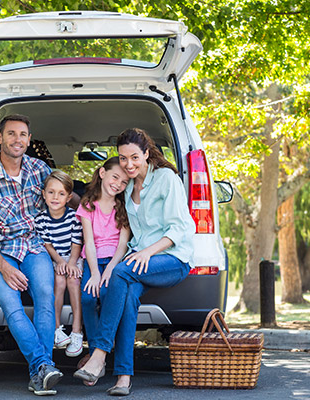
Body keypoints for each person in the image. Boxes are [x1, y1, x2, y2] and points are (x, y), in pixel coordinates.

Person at [74, 128, 195, 396]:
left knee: (119, 272)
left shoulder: (166, 179)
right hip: (140, 260)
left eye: (134, 157)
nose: (129, 164)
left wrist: (147, 252)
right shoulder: (127, 189)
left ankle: (99, 354)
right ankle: (124, 378)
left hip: (171, 258)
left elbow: (180, 228)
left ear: (146, 154)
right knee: (127, 297)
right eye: (123, 158)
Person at [0, 114, 62, 396]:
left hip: (34, 246)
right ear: (0, 138)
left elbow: (63, 194)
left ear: (29, 139)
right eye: (11, 134)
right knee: (12, 306)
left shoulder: (39, 169)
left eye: (22, 134)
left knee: (46, 295)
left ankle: (41, 371)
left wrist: (95, 199)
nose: (17, 139)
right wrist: (5, 269)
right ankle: (43, 367)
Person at [75, 157, 131, 386]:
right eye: (115, 177)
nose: (118, 184)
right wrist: (96, 272)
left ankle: (99, 357)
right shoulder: (87, 205)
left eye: (124, 182)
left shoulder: (123, 207)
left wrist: (109, 269)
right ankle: (95, 353)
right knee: (88, 298)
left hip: (114, 262)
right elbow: (88, 242)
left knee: (109, 298)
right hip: (93, 261)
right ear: (102, 173)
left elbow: (123, 245)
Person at [34, 170, 84, 357]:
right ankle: (56, 330)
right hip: (56, 258)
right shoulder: (41, 219)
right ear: (44, 194)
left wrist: (71, 262)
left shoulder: (73, 217)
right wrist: (60, 261)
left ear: (69, 197)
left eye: (61, 193)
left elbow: (77, 243)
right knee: (59, 282)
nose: (56, 197)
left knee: (73, 281)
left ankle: (77, 331)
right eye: (51, 192)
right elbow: (47, 245)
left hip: (73, 257)